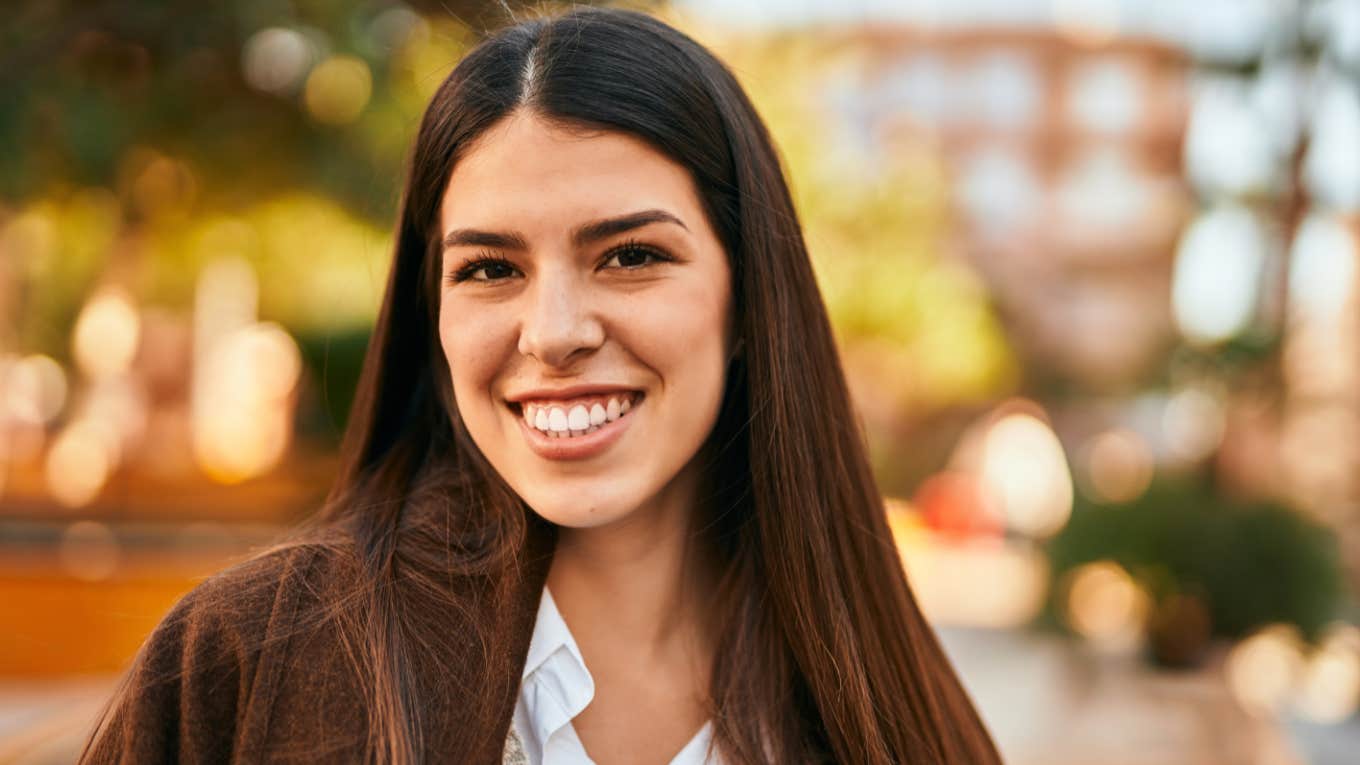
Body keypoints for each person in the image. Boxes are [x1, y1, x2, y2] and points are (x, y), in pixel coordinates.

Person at [82, 7, 1001, 764]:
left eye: (631, 255)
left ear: (750, 299)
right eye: (488, 269)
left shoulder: (889, 711)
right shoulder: (250, 660)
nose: (555, 333)